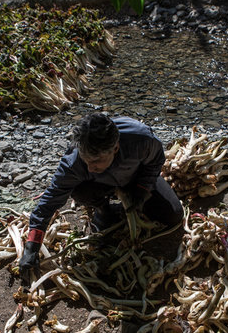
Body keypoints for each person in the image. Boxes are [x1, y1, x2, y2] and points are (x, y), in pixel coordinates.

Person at [19, 113, 183, 271]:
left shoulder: (141, 139)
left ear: (116, 148)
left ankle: (129, 205)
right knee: (79, 189)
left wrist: (142, 189)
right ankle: (104, 210)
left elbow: (156, 161)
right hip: (101, 185)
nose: (90, 167)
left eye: (96, 161)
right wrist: (32, 247)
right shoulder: (74, 162)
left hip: (135, 178)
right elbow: (50, 199)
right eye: (86, 161)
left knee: (173, 214)